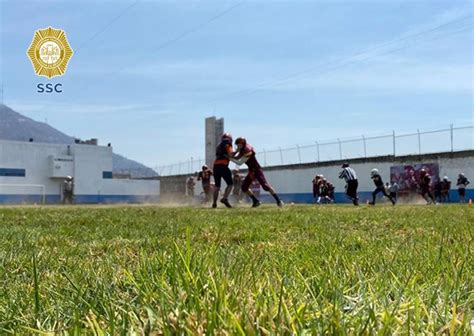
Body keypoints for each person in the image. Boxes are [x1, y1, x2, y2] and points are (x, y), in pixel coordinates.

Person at [231, 137, 282, 207]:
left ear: (242, 144)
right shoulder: (243, 149)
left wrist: (229, 158)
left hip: (257, 170)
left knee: (265, 186)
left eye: (238, 145)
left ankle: (279, 201)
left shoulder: (247, 150)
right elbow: (237, 157)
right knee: (244, 187)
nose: (237, 146)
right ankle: (255, 201)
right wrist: (234, 153)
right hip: (252, 171)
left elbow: (239, 162)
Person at [212, 132, 234, 208]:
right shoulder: (228, 144)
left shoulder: (218, 146)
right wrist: (236, 152)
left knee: (217, 186)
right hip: (223, 166)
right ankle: (225, 198)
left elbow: (220, 155)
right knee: (230, 184)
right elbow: (231, 154)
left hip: (215, 166)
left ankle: (214, 203)